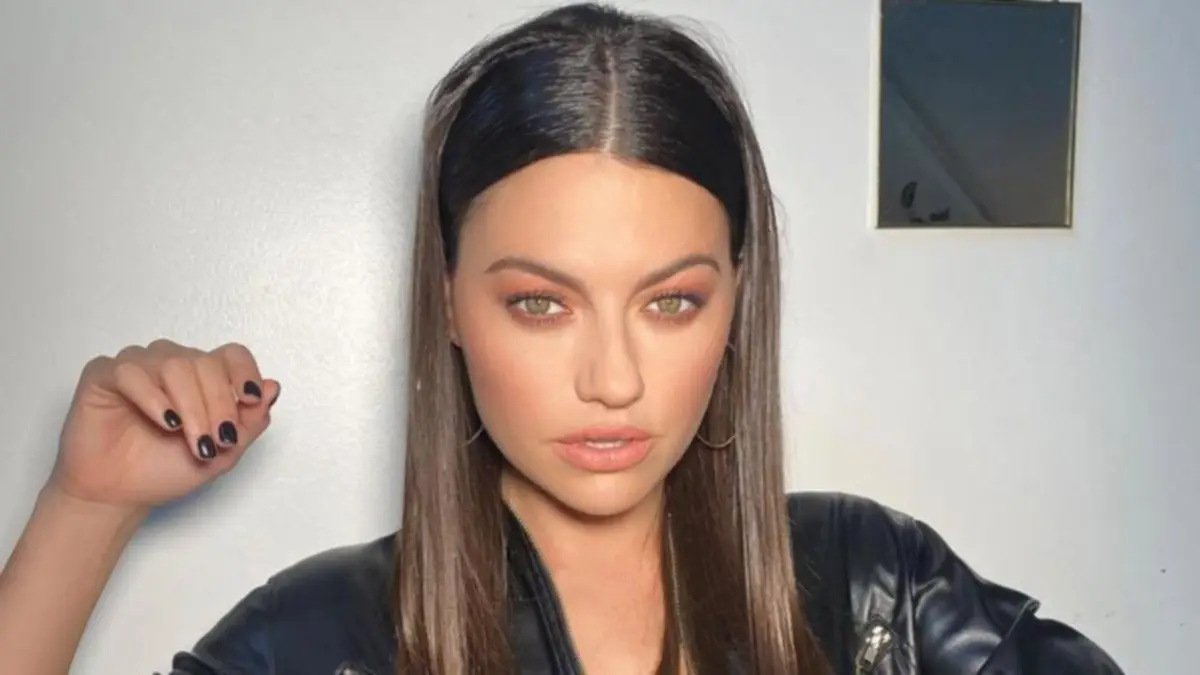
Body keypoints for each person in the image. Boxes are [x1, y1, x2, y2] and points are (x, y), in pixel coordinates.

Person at [0, 3, 1123, 674]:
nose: (614, 378)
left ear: (738, 297)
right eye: (541, 303)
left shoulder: (877, 593)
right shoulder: (319, 639)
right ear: (448, 300)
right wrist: (85, 509)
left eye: (672, 302)